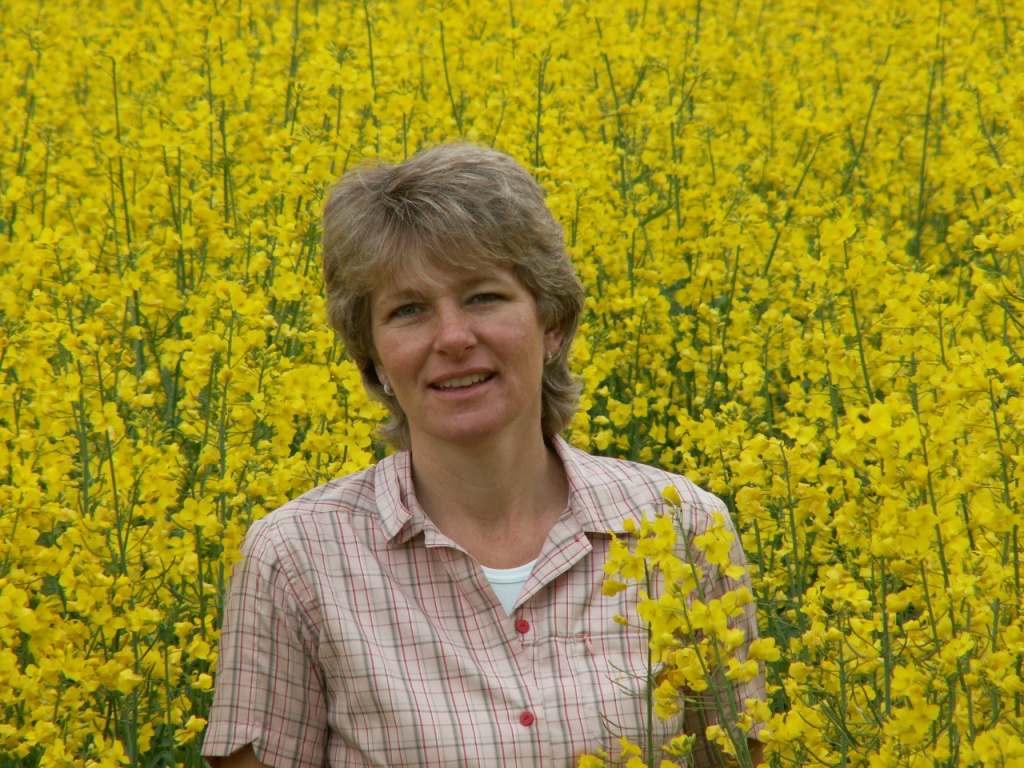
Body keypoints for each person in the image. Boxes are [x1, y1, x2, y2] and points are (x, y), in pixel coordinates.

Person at [201, 143, 766, 768]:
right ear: (374, 357)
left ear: (552, 325)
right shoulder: (296, 558)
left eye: (484, 297)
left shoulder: (683, 527)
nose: (453, 338)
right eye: (409, 310)